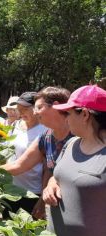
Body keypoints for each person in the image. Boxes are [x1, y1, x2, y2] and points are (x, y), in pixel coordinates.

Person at [0, 86, 72, 219]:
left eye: (39, 107)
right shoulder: (46, 137)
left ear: (55, 106)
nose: (36, 112)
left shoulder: (77, 135)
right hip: (54, 204)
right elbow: (18, 166)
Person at [43, 85, 106, 235]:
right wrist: (51, 185)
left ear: (84, 114)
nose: (65, 119)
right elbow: (59, 176)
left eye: (67, 113)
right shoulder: (71, 144)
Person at [3, 92, 46, 217]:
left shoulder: (44, 131)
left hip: (31, 191)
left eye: (25, 109)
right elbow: (7, 152)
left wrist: (42, 199)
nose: (21, 113)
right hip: (11, 188)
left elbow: (47, 168)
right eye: (19, 109)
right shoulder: (15, 125)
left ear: (36, 108)